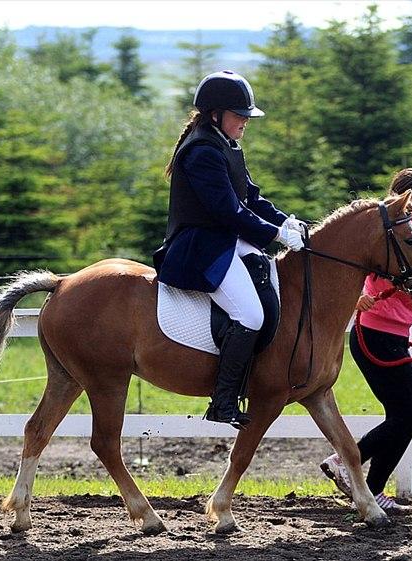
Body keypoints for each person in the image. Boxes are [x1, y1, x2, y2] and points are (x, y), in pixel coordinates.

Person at [153, 70, 306, 430]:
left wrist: (286, 223)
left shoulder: (226, 143)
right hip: (201, 247)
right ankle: (223, 401)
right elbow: (228, 211)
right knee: (250, 315)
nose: (245, 123)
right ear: (215, 114)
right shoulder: (203, 150)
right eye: (240, 116)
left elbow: (252, 197)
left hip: (226, 239)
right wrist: (276, 235)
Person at [320, 168, 412, 511]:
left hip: (393, 336)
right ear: (403, 202)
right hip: (375, 335)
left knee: (405, 416)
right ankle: (346, 461)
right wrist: (357, 297)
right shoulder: (387, 235)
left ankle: (369, 489)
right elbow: (354, 274)